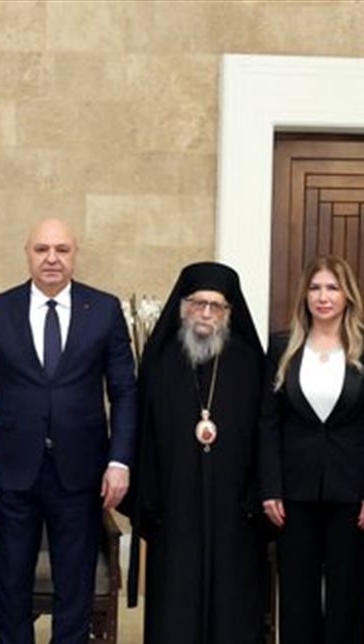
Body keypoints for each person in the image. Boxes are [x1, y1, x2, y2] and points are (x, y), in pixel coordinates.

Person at [0, 218, 136, 644]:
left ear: (75, 254)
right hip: (11, 471)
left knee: (75, 584)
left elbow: (124, 392)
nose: (52, 259)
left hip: (81, 471)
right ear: (28, 254)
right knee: (11, 583)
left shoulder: (105, 310)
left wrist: (119, 461)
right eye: (42, 249)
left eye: (62, 249)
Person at [120, 262, 274, 643]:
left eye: (216, 306)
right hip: (175, 510)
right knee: (176, 605)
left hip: (235, 511)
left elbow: (266, 433)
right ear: (182, 307)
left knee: (233, 608)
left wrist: (257, 495)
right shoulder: (160, 362)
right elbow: (143, 434)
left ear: (229, 312)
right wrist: (150, 501)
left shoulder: (250, 363)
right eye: (198, 303)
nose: (206, 313)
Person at [260, 255, 364, 644]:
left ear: (348, 295)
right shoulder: (281, 345)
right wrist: (270, 487)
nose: (323, 297)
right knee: (296, 597)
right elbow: (268, 422)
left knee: (346, 597)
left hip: (352, 495)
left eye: (333, 288)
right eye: (315, 288)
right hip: (293, 494)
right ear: (304, 295)